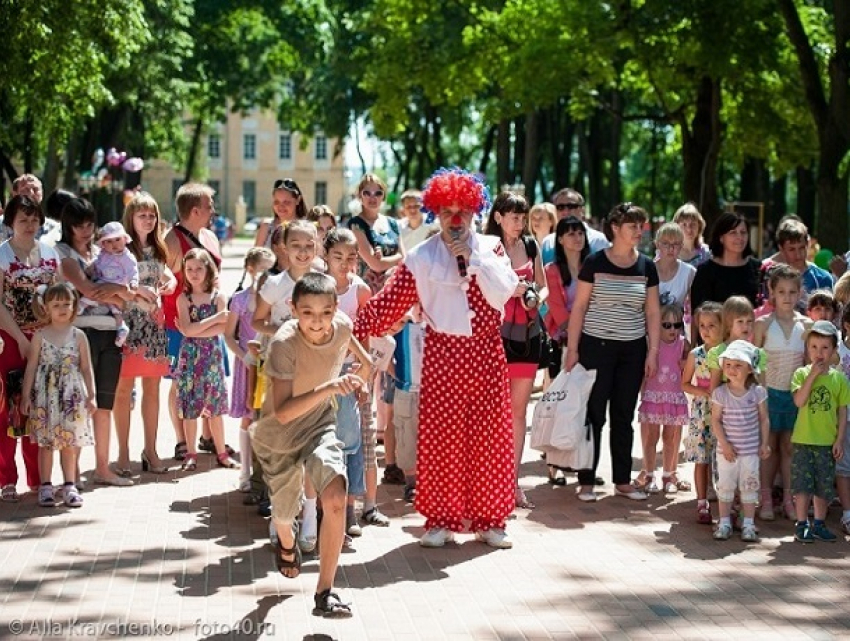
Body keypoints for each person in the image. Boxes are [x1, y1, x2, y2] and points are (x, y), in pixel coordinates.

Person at [353, 167, 518, 548]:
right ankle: (440, 519)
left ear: (475, 211)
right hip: (444, 354)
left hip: (487, 352)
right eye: (446, 212)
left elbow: (505, 291)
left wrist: (473, 261)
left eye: (462, 211)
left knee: (488, 438)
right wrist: (349, 326)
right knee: (442, 439)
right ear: (436, 214)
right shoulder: (422, 257)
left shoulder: (491, 248)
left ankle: (489, 519)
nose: (455, 221)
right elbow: (388, 304)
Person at [250, 272, 372, 618]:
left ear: (336, 308)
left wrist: (358, 384)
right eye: (307, 313)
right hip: (281, 434)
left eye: (325, 312)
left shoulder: (344, 327)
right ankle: (287, 545)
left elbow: (365, 364)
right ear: (292, 309)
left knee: (335, 494)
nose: (317, 322)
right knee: (284, 516)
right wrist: (332, 387)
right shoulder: (284, 344)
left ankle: (325, 592)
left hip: (321, 423)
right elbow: (286, 413)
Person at [565, 202, 661, 502]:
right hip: (596, 347)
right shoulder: (595, 262)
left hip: (632, 350)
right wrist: (572, 349)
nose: (638, 231)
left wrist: (652, 352)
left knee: (623, 414)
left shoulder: (647, 266)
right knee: (593, 414)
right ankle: (587, 480)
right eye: (632, 225)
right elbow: (579, 307)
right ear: (615, 228)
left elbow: (653, 313)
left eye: (640, 226)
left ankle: (623, 480)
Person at [484, 191, 547, 510]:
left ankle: (512, 483)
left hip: (527, 335)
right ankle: (488, 483)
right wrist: (510, 288)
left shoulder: (532, 246)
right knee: (491, 412)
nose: (519, 223)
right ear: (498, 217)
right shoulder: (486, 248)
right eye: (513, 216)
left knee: (518, 412)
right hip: (492, 337)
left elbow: (544, 284)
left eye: (523, 217)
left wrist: (535, 294)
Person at [348, 174, 404, 523]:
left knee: (395, 384)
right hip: (369, 311)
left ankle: (394, 460)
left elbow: (399, 259)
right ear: (359, 195)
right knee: (367, 385)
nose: (372, 196)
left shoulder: (392, 222)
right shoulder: (355, 224)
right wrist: (393, 259)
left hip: (396, 308)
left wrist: (392, 259)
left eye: (378, 192)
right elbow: (375, 264)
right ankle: (362, 493)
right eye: (366, 191)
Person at [0, 196, 61, 502]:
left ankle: (39, 478)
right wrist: (22, 340)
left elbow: (60, 297)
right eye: (22, 219)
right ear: (10, 222)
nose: (29, 225)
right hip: (11, 341)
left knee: (40, 407)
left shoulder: (50, 253)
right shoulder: (1, 255)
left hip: (46, 339)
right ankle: (7, 478)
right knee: (9, 408)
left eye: (34, 219)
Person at [113, 194, 176, 476]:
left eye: (152, 215)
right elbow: (113, 279)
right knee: (123, 390)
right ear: (131, 218)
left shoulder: (159, 248)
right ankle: (123, 453)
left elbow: (167, 276)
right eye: (142, 215)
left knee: (153, 389)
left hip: (153, 324)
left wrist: (170, 280)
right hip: (129, 323)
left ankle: (150, 450)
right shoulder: (121, 246)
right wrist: (139, 291)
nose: (148, 220)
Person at [21, 283, 95, 508]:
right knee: (46, 443)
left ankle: (69, 485)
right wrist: (25, 396)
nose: (62, 309)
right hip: (46, 397)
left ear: (73, 306)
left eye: (66, 304)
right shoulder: (40, 336)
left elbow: (86, 367)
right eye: (56, 305)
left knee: (69, 442)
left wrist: (91, 395)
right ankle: (45, 485)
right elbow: (32, 367)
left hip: (71, 397)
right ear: (46, 308)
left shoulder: (79, 336)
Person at [163, 183, 223, 461]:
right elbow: (161, 278)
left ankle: (208, 437)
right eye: (210, 205)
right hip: (180, 324)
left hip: (210, 322)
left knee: (210, 382)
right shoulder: (171, 240)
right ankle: (180, 440)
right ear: (196, 210)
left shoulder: (210, 236)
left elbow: (217, 278)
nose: (213, 210)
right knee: (180, 383)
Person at [323, 228, 371, 543]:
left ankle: (350, 507)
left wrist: (360, 377)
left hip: (349, 370)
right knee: (321, 440)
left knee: (351, 441)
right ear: (326, 257)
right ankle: (322, 508)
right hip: (320, 372)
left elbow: (365, 337)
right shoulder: (317, 287)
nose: (344, 263)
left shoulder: (360, 291)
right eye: (337, 257)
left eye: (351, 257)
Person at [752, 265, 810, 521]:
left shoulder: (806, 325)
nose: (787, 297)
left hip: (794, 396)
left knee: (789, 448)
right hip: (769, 393)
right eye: (782, 291)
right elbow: (754, 360)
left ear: (799, 294)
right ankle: (766, 499)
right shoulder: (763, 324)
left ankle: (788, 499)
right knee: (768, 448)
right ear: (771, 293)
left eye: (792, 292)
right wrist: (761, 391)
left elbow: (808, 363)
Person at [174, 248, 234, 471]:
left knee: (215, 407)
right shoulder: (183, 298)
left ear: (208, 269)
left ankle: (221, 452)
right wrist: (214, 320)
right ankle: (191, 452)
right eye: (189, 269)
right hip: (189, 358)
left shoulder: (218, 296)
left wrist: (194, 329)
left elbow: (223, 326)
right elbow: (190, 330)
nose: (194, 273)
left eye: (199, 268)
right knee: (190, 406)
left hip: (211, 357)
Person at [790, 321, 849, 543]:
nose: (819, 353)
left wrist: (839, 439)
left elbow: (842, 412)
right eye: (814, 347)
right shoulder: (800, 374)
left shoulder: (839, 380)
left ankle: (820, 524)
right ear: (807, 349)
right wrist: (812, 376)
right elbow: (799, 400)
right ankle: (802, 523)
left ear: (834, 351)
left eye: (825, 348)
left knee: (823, 485)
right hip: (804, 440)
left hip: (826, 442)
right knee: (803, 485)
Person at [225, 248, 276, 492]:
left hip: (271, 362)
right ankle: (245, 471)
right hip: (248, 363)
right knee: (248, 415)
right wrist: (244, 355)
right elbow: (228, 335)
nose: (268, 274)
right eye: (263, 269)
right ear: (251, 270)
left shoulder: (275, 299)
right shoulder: (241, 300)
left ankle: (264, 471)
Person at [709, 340, 770, 542]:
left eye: (738, 365)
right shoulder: (720, 394)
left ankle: (749, 524)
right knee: (725, 486)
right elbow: (716, 421)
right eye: (728, 365)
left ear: (750, 369)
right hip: (727, 453)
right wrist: (724, 444)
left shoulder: (757, 393)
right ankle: (724, 522)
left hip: (750, 451)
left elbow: (764, 419)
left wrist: (764, 443)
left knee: (749, 486)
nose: (732, 370)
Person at [636, 302, 691, 494]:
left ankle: (669, 474)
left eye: (677, 325)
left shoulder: (684, 345)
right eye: (667, 325)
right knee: (651, 437)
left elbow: (692, 367)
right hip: (653, 398)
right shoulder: (651, 344)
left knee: (671, 438)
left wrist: (687, 364)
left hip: (675, 398)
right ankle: (649, 474)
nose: (673, 330)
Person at [682, 301, 724, 523]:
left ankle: (728, 503)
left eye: (711, 325)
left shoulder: (728, 353)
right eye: (702, 326)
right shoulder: (695, 354)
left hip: (724, 414)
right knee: (702, 458)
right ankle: (701, 502)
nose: (706, 331)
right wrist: (702, 391)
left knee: (723, 458)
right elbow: (684, 383)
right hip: (701, 413)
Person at [690, 212, 762, 329]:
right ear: (721, 238)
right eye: (733, 233)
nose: (739, 237)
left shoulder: (758, 268)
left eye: (743, 232)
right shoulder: (706, 271)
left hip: (751, 338)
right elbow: (698, 312)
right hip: (716, 339)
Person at [544, 216, 590, 383]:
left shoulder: (593, 268)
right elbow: (558, 311)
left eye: (580, 233)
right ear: (560, 239)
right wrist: (577, 333)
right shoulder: (550, 271)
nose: (578, 238)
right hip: (561, 338)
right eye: (571, 234)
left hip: (591, 335)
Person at [79, 222, 138, 347]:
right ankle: (121, 327)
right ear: (104, 244)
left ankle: (82, 305)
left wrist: (134, 282)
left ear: (125, 239)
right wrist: (92, 267)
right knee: (110, 305)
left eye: (117, 239)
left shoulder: (127, 257)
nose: (114, 244)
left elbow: (133, 270)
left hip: (117, 284)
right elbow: (97, 262)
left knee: (108, 302)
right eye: (109, 241)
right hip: (103, 280)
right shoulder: (103, 254)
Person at [707, 296, 767, 393]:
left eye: (749, 321)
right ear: (729, 323)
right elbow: (714, 390)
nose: (746, 326)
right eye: (740, 321)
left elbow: (763, 389)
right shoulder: (718, 353)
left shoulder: (757, 353)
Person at [540, 188, 609, 265]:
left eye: (571, 206)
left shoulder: (599, 240)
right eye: (560, 207)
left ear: (582, 210)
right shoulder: (548, 242)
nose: (565, 211)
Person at [254, 178, 308, 249]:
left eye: (286, 202)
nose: (281, 206)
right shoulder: (266, 227)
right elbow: (254, 258)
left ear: (298, 200)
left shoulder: (307, 227)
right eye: (276, 202)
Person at [654, 222, 696, 309]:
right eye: (666, 243)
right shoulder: (647, 269)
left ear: (681, 246)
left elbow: (695, 307)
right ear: (657, 244)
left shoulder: (689, 272)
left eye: (676, 244)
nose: (671, 248)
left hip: (677, 322)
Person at [672, 203, 711, 267]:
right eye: (684, 225)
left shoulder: (706, 253)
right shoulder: (669, 253)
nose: (689, 229)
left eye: (693, 224)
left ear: (699, 226)